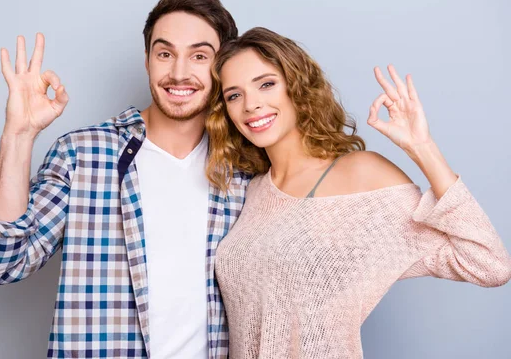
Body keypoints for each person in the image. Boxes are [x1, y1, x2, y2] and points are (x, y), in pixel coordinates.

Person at [0, 0, 250, 359]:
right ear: (147, 60)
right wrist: (18, 136)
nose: (179, 72)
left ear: (222, 67)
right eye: (165, 53)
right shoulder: (84, 154)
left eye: (199, 56)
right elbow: (3, 262)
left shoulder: (244, 170)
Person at [206, 27, 511, 359]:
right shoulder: (249, 190)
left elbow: (489, 264)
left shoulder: (361, 174)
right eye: (234, 95)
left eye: (266, 84)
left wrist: (423, 148)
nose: (251, 104)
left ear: (296, 87)